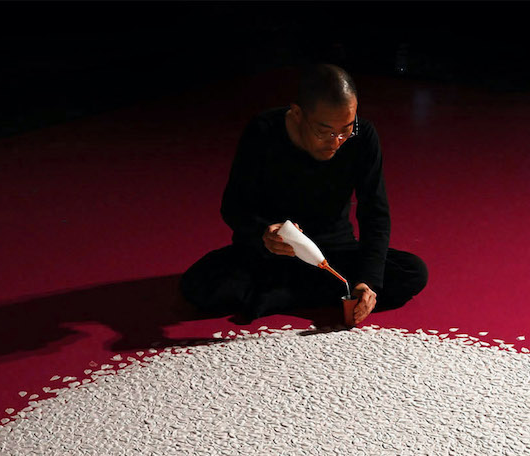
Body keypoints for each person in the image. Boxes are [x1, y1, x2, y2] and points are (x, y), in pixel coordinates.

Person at [181, 64, 428, 326]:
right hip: (272, 254)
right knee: (198, 285)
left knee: (413, 272)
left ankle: (279, 296)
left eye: (345, 129)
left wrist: (368, 282)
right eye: (324, 132)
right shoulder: (264, 131)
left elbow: (375, 214)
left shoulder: (363, 136)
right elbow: (233, 206)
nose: (336, 142)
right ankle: (316, 294)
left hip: (333, 253)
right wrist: (264, 232)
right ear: (297, 113)